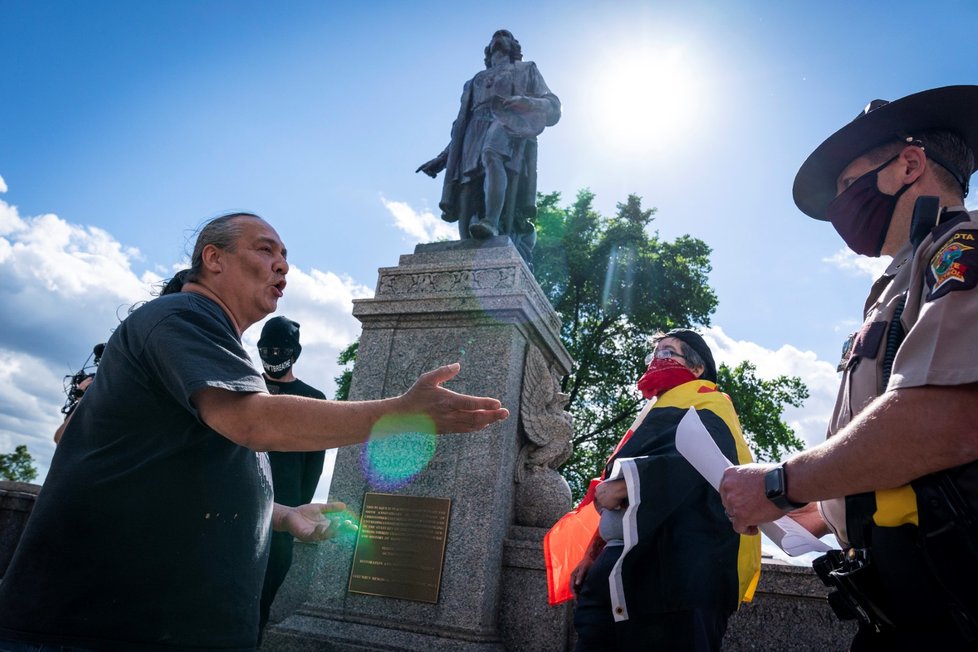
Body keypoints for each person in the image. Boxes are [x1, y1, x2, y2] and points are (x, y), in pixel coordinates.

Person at [0, 212, 509, 652]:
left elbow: (175, 479)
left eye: (285, 255)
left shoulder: (209, 345)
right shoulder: (182, 316)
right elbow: (254, 422)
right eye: (265, 250)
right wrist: (401, 413)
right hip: (99, 629)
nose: (282, 264)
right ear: (213, 259)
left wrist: (284, 515)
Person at [718, 86, 978, 650]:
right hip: (899, 605)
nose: (840, 205)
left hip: (956, 604)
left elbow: (948, 419)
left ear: (908, 164)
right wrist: (820, 507)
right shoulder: (900, 280)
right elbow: (893, 457)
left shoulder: (962, 248)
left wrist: (781, 484)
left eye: (847, 184)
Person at [570, 329, 760, 651]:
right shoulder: (653, 413)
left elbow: (698, 464)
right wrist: (594, 553)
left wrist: (625, 485)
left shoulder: (711, 404)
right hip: (616, 571)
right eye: (653, 354)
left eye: (668, 353)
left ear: (697, 368)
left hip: (672, 580)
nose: (656, 361)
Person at [416, 29, 560, 262]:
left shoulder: (527, 69)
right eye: (495, 35)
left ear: (514, 46)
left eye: (506, 35)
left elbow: (553, 105)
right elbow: (460, 126)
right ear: (489, 49)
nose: (499, 35)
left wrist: (526, 102)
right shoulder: (474, 81)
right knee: (468, 189)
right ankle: (468, 245)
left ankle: (491, 222)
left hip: (508, 120)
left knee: (492, 153)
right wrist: (442, 159)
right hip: (473, 129)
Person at [254, 316, 328, 638]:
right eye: (265, 348)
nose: (272, 354)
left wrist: (295, 510)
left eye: (279, 349)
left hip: (281, 525)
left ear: (294, 352)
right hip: (236, 514)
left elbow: (314, 464)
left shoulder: (313, 399)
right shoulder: (246, 389)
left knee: (258, 611)